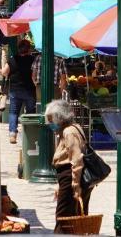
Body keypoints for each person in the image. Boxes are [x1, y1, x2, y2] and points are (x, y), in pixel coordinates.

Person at [45, 99, 92, 232]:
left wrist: (75, 186)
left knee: (63, 216)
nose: (50, 123)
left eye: (51, 119)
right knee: (73, 214)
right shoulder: (70, 129)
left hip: (70, 177)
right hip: (67, 177)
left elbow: (76, 160)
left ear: (59, 118)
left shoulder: (69, 132)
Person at [1, 38, 36, 144]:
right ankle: (29, 133)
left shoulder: (13, 59)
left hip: (15, 90)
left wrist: (3, 61)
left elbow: (4, 72)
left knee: (13, 112)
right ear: (29, 49)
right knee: (30, 112)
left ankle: (13, 134)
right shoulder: (32, 59)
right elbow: (34, 76)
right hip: (29, 90)